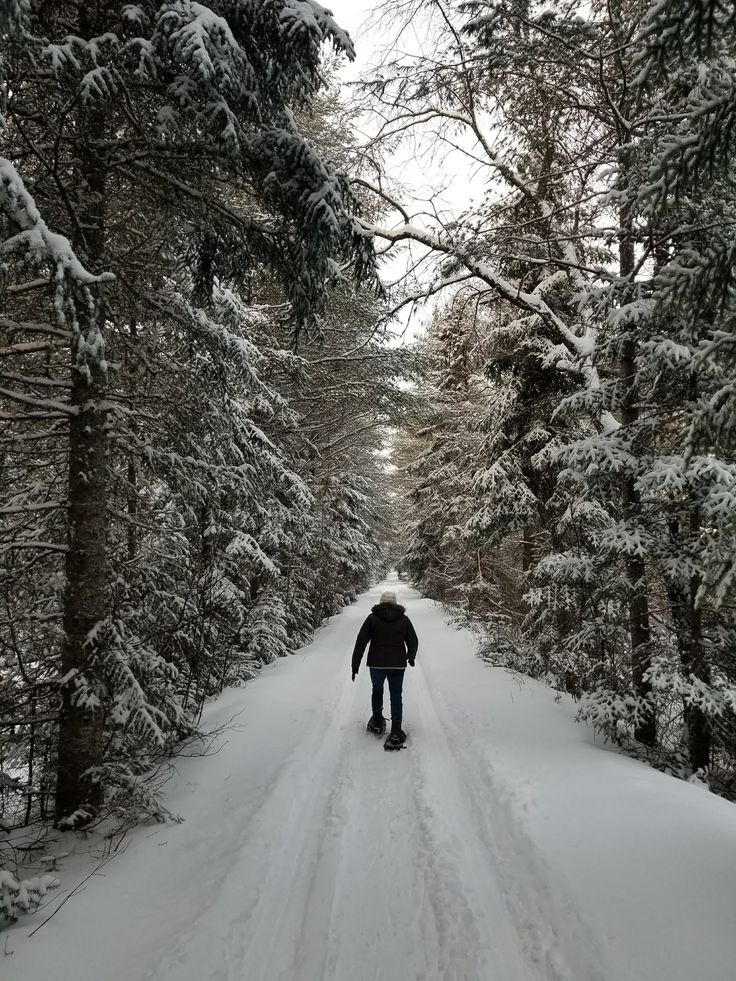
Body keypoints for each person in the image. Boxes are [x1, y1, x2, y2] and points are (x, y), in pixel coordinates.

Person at [351, 590, 419, 750]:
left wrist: (355, 664)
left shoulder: (372, 619)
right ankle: (395, 730)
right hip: (397, 665)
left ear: (381, 603)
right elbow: (413, 640)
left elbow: (361, 642)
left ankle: (376, 721)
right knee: (396, 694)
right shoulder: (403, 619)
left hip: (376, 664)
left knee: (377, 690)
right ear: (395, 603)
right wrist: (411, 656)